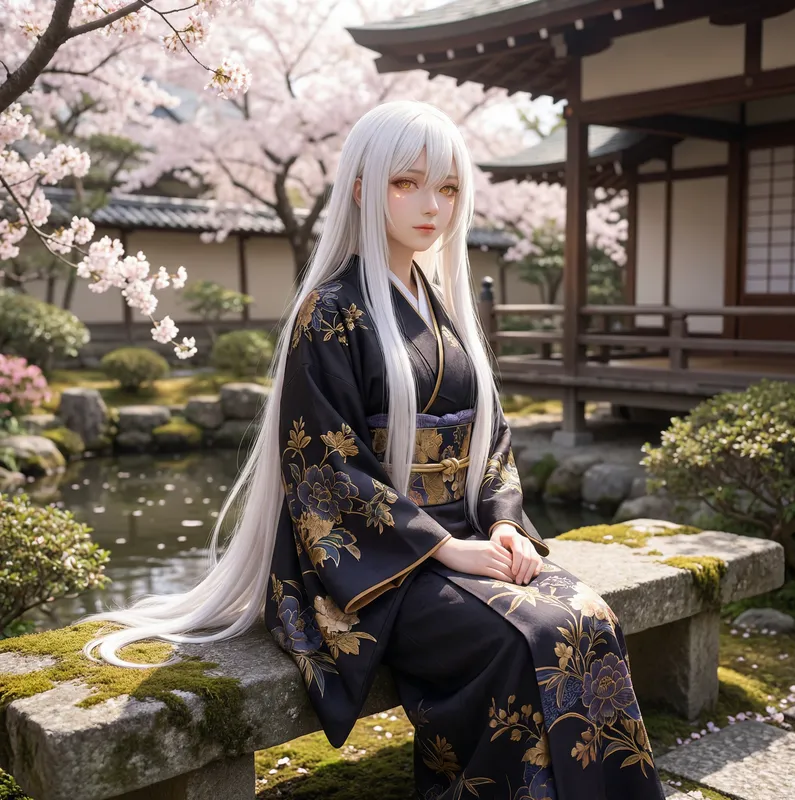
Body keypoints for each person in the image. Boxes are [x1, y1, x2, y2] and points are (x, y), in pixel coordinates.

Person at [82, 101, 665, 800]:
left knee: (589, 616)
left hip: (469, 539)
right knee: (525, 637)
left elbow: (494, 437)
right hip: (372, 567)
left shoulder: (440, 305)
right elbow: (324, 471)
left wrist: (504, 523)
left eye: (447, 188)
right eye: (407, 183)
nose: (432, 206)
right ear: (361, 186)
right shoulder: (326, 310)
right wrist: (443, 550)